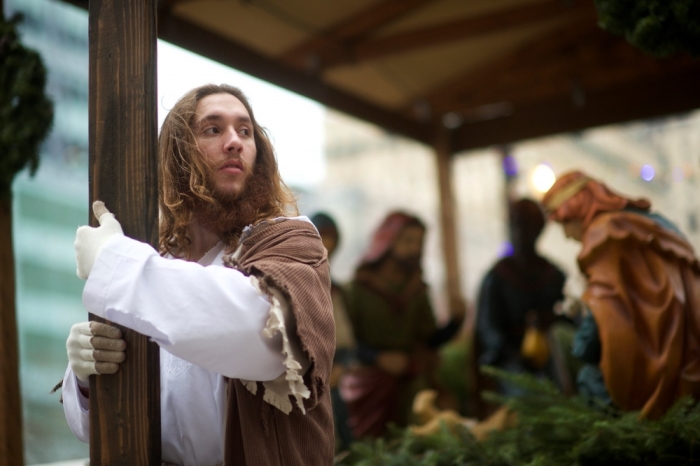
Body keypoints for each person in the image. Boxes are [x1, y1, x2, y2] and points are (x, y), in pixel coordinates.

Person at [61, 84, 335, 465]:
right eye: (213, 129)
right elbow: (93, 432)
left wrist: (114, 262)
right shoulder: (154, 263)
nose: (234, 142)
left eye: (245, 131)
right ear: (177, 155)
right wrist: (85, 378)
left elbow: (262, 335)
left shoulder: (291, 240)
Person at [543, 170, 700, 418]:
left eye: (565, 222)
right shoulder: (654, 222)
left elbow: (606, 315)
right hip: (690, 356)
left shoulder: (604, 235)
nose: (567, 235)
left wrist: (580, 344)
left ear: (580, 209)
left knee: (589, 378)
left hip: (657, 370)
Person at [340, 212, 463, 438]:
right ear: (387, 241)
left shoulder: (417, 290)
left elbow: (428, 339)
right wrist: (378, 357)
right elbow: (346, 343)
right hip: (369, 381)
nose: (414, 249)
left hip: (410, 378)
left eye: (419, 242)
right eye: (408, 241)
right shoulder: (358, 289)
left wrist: (455, 322)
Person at [475, 199, 568, 397]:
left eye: (529, 225)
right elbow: (487, 327)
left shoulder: (553, 274)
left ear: (539, 230)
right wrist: (513, 354)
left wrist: (551, 320)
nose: (521, 231)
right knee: (528, 396)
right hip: (510, 359)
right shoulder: (498, 277)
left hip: (549, 352)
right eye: (516, 224)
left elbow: (569, 315)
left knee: (562, 390)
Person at [309, 212, 356, 451]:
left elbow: (346, 338)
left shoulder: (335, 290)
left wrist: (340, 366)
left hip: (335, 375)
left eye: (332, 238)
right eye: (322, 237)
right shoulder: (298, 286)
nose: (328, 245)